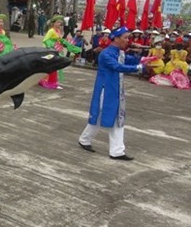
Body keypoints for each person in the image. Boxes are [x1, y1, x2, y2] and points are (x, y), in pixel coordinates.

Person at [78, 27, 144, 161]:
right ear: (116, 38)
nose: (127, 40)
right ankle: (109, 148)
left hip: (116, 90)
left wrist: (144, 57)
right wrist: (138, 68)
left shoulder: (120, 53)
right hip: (106, 90)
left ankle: (111, 148)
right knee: (103, 116)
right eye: (125, 37)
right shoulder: (106, 54)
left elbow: (132, 60)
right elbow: (118, 67)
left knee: (115, 118)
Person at [39, 15, 80, 89]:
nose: (60, 24)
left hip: (56, 50)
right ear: (53, 23)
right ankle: (49, 82)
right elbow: (45, 40)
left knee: (55, 67)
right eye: (58, 22)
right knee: (51, 66)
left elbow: (59, 40)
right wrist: (52, 46)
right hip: (50, 50)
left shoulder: (58, 31)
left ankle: (52, 82)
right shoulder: (51, 31)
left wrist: (66, 43)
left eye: (61, 23)